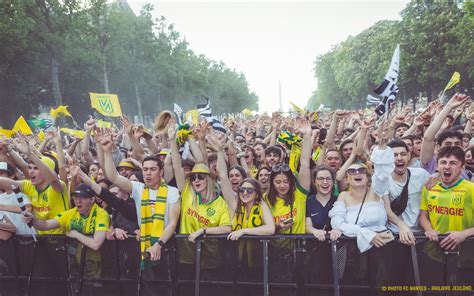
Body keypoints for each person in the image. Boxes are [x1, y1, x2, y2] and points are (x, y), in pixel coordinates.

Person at [99, 130, 180, 264]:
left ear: (161, 172)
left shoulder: (173, 192)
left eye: (152, 170)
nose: (148, 173)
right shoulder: (138, 189)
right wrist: (107, 151)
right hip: (144, 244)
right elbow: (113, 177)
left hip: (167, 246)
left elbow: (172, 223)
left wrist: (158, 245)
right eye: (145, 169)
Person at [0, 135, 69, 235]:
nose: (30, 171)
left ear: (46, 171)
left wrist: (30, 154)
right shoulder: (29, 186)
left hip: (61, 241)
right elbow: (6, 182)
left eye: (36, 168)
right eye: (30, 167)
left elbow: (53, 179)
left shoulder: (58, 186)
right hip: (40, 240)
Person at [371, 139, 430, 245]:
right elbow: (387, 210)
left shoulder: (422, 175)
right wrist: (401, 225)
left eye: (403, 154)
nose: (399, 158)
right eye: (394, 155)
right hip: (396, 235)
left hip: (421, 235)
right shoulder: (383, 180)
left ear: (409, 155)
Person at [23, 183, 109, 251]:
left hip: (98, 260)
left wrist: (76, 235)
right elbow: (46, 225)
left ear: (92, 199)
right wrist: (33, 219)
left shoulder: (101, 214)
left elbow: (96, 245)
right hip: (75, 261)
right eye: (75, 197)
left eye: (82, 197)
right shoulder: (70, 213)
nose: (77, 201)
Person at [419, 146, 474, 250]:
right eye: (443, 162)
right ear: (437, 166)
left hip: (466, 251)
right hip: (435, 249)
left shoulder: (471, 189)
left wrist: (464, 234)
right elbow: (423, 216)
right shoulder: (429, 187)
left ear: (462, 167)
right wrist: (429, 230)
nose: (447, 166)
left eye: (453, 163)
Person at [265, 120, 312, 235]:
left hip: (297, 249)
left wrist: (306, 135)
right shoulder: (264, 199)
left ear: (291, 182)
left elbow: (305, 163)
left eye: (286, 181)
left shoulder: (299, 195)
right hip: (274, 250)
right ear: (272, 183)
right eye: (278, 182)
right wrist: (278, 227)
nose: (282, 185)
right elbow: (262, 227)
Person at [305, 166, 340, 241]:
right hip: (314, 248)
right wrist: (315, 231)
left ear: (333, 181)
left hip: (336, 249)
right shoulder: (308, 202)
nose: (325, 182)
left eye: (328, 179)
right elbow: (307, 226)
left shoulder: (339, 201)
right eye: (320, 179)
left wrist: (339, 230)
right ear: (314, 182)